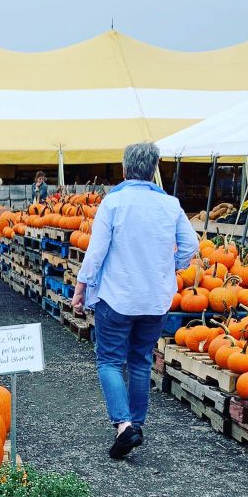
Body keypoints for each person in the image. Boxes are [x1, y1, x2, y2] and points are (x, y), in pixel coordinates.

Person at [73, 141, 197, 459]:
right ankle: (136, 424)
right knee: (141, 360)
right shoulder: (170, 204)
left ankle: (124, 424)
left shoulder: (114, 203)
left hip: (117, 297)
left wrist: (81, 287)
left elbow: (96, 251)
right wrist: (172, 266)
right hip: (156, 299)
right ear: (153, 170)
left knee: (109, 361)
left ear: (125, 168)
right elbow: (190, 245)